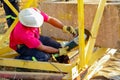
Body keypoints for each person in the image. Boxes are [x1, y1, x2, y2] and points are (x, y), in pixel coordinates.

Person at [9, 8, 77, 63]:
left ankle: (62, 62)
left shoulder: (33, 13)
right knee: (44, 57)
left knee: (56, 45)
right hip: (22, 46)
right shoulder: (24, 34)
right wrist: (59, 51)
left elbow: (50, 19)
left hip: (35, 37)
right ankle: (20, 59)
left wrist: (64, 27)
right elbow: (43, 47)